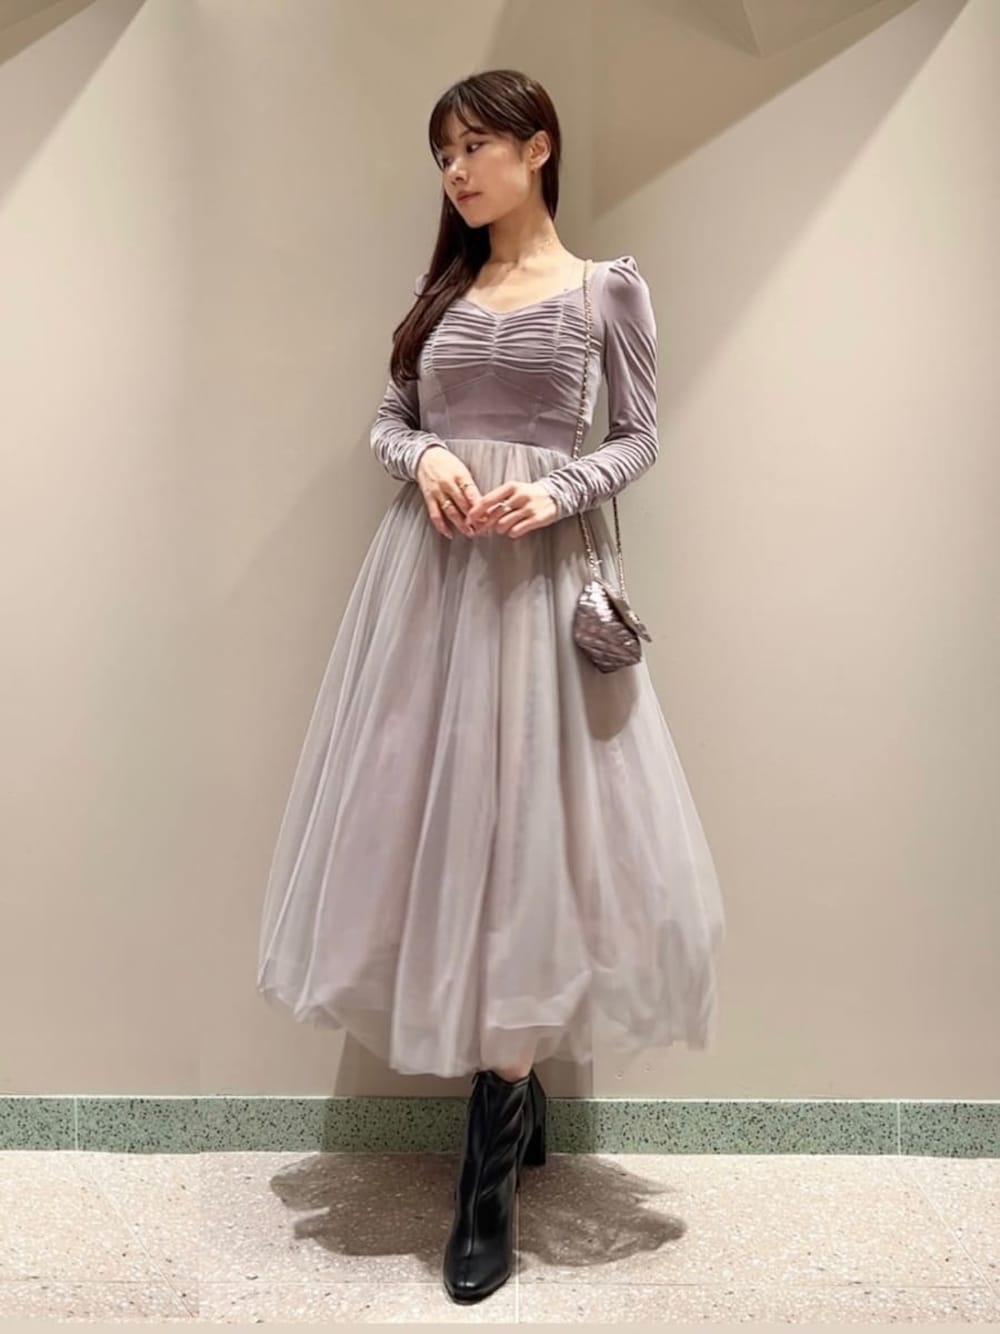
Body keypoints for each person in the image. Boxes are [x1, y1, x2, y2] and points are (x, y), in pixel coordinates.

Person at [257, 68, 725, 1305]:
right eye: (443, 154)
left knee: (532, 836)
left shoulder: (606, 286)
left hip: (538, 589)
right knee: (436, 825)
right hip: (427, 592)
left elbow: (638, 433)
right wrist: (422, 460)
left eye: (474, 146)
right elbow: (387, 419)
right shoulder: (441, 295)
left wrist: (559, 487)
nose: (456, 171)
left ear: (538, 146)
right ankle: (508, 1104)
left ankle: (491, 1146)